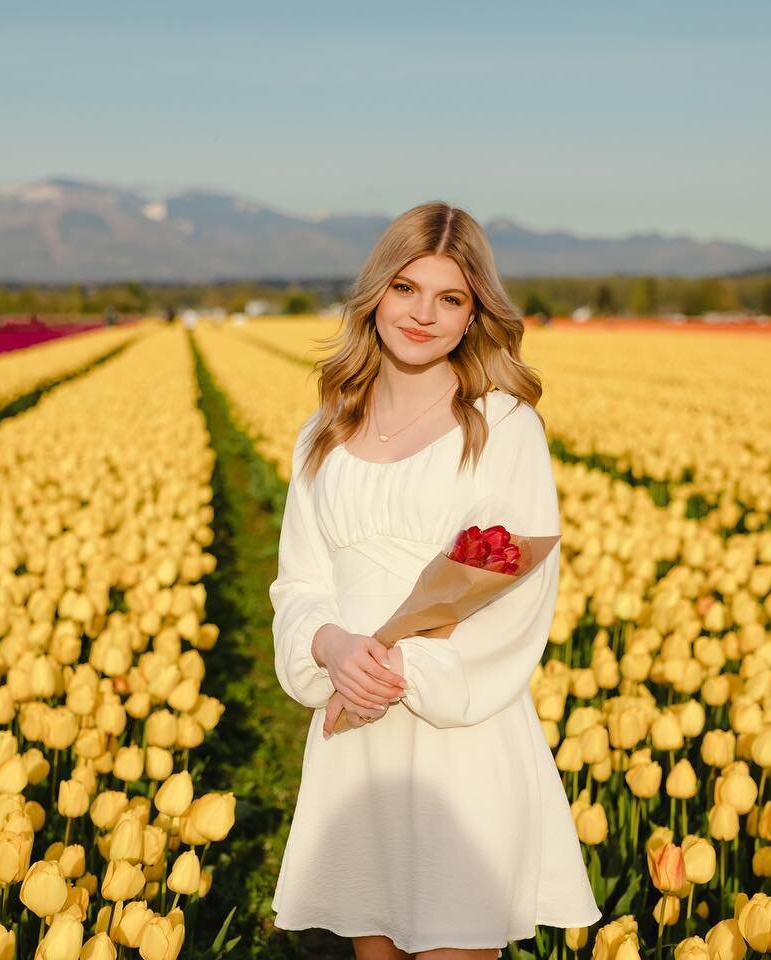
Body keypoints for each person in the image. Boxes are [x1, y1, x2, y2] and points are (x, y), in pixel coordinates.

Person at [268, 201, 601, 957]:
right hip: (357, 733)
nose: (423, 315)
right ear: (375, 295)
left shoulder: (503, 424)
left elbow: (516, 591)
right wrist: (331, 647)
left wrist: (396, 665)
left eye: (449, 298)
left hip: (458, 731)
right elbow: (299, 582)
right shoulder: (323, 431)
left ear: (474, 311)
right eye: (405, 289)